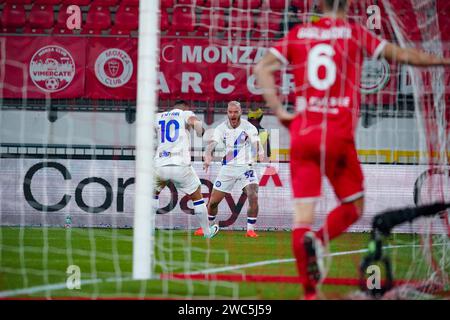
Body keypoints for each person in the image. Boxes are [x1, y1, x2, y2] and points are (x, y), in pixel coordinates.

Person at [254, 0, 450, 299]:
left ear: (318, 4)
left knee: (301, 219)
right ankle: (319, 240)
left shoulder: (300, 33)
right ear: (347, 4)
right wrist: (442, 61)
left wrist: (279, 109)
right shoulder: (355, 33)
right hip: (336, 136)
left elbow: (263, 67)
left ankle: (309, 293)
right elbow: (403, 55)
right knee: (354, 206)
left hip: (303, 134)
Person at [194, 101, 265, 238]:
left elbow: (256, 142)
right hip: (227, 168)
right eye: (230, 112)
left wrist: (260, 152)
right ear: (227, 113)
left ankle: (250, 230)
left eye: (235, 112)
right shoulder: (221, 128)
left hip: (246, 167)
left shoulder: (249, 127)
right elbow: (212, 144)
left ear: (240, 112)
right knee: (213, 202)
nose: (232, 115)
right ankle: (207, 227)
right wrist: (207, 155)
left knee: (253, 195)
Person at [154, 100, 219, 239]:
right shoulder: (185, 114)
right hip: (179, 164)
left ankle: (148, 232)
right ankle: (207, 232)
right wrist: (201, 132)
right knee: (197, 197)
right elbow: (196, 123)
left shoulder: (158, 116)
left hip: (160, 164)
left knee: (152, 196)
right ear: (185, 108)